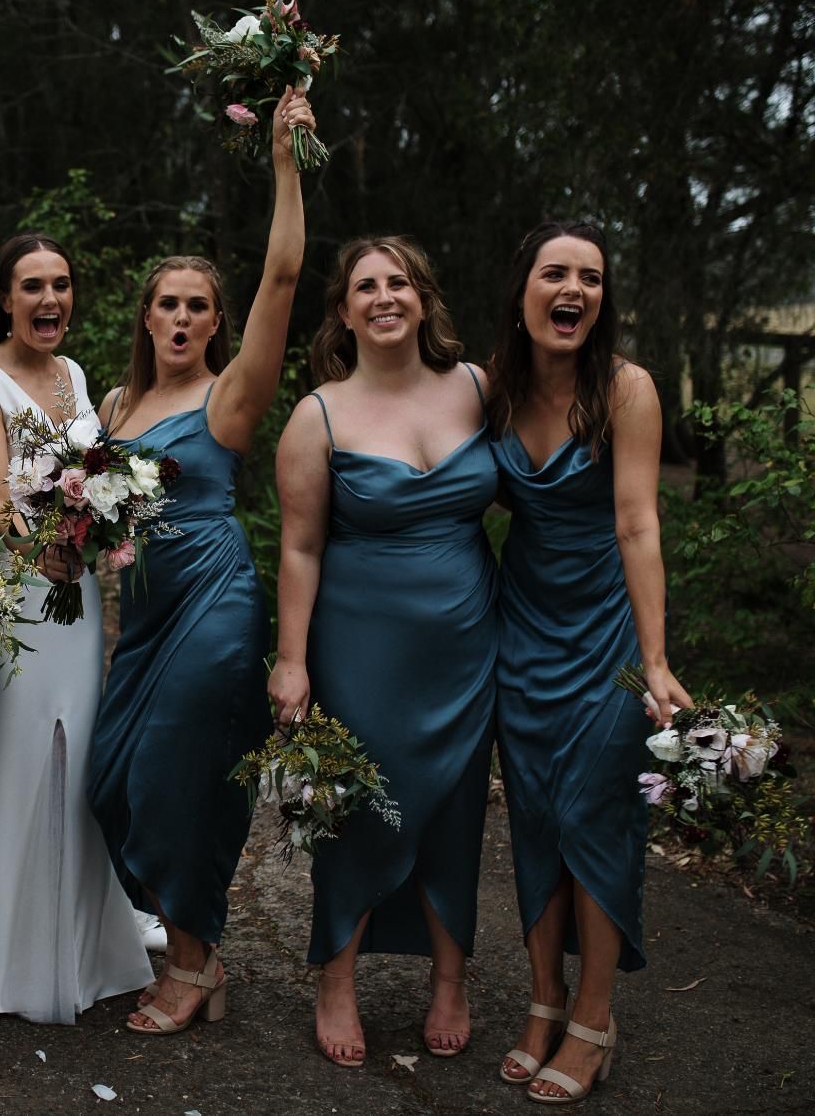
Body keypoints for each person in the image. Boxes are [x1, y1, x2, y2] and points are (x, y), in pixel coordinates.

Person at [89, 86, 312, 1037]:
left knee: (174, 780)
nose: (181, 319)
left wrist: (284, 164)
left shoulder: (227, 401)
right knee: (109, 779)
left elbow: (283, 279)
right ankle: (193, 948)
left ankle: (190, 962)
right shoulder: (109, 409)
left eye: (197, 308)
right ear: (144, 318)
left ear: (215, 323)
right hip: (139, 619)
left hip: (213, 601)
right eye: (166, 306)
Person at [268, 236, 498, 1068]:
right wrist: (290, 660)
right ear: (343, 311)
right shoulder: (318, 414)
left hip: (468, 642)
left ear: (424, 297)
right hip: (361, 645)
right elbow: (298, 548)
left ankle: (450, 980)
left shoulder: (477, 387)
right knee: (358, 808)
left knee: (454, 811)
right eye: (365, 286)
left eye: (398, 281)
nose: (384, 296)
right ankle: (336, 979)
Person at [485, 220, 689, 1104]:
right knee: (533, 819)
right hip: (517, 630)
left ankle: (593, 1019)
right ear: (522, 289)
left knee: (596, 821)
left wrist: (654, 659)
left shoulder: (625, 388)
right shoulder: (491, 389)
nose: (573, 291)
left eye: (592, 279)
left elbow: (637, 522)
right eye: (555, 274)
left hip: (604, 636)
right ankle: (541, 1002)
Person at [0, 233, 154, 1024]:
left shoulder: (71, 374)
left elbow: (87, 476)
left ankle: (82, 944)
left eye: (61, 285)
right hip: (26, 594)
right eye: (31, 287)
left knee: (78, 753)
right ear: (3, 297)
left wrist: (101, 527)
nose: (49, 301)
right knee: (21, 752)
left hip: (78, 594)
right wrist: (52, 554)